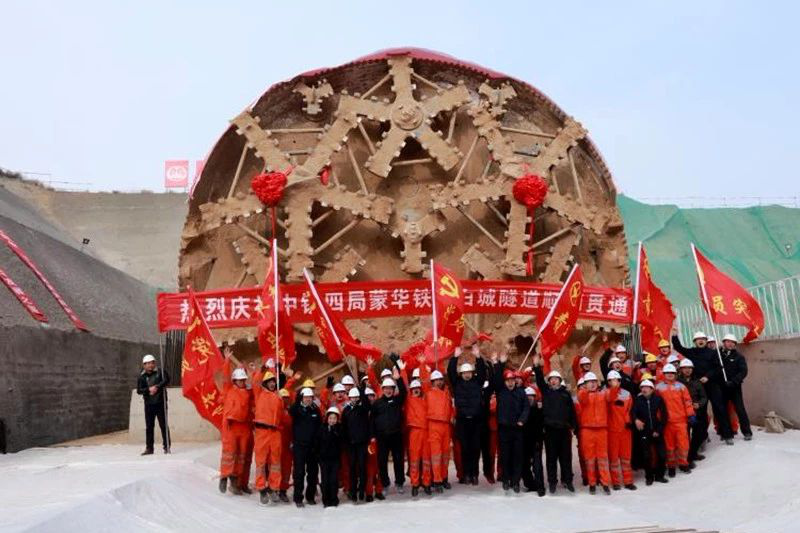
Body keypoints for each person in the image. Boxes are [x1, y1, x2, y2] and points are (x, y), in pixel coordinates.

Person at [672, 330, 733, 444]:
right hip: (698, 387)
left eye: (703, 339)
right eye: (698, 340)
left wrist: (707, 376)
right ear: (695, 342)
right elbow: (678, 347)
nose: (701, 341)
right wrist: (674, 335)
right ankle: (703, 436)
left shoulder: (713, 353)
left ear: (706, 341)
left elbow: (718, 368)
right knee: (701, 413)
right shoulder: (692, 352)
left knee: (720, 409)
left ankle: (727, 434)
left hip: (712, 384)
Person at [533, 355, 577, 494]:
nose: (553, 381)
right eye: (551, 379)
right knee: (551, 458)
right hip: (550, 430)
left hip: (564, 430)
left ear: (559, 381)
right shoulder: (546, 392)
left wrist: (574, 425)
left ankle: (568, 481)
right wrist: (536, 366)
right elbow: (539, 381)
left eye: (556, 379)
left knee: (566, 458)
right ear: (549, 381)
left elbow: (572, 411)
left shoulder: (566, 394)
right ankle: (552, 482)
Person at [447, 344, 487, 485]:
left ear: (472, 372)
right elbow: (450, 373)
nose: (467, 374)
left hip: (476, 421)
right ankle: (466, 474)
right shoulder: (457, 384)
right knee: (464, 450)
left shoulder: (477, 382)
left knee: (475, 449)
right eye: (464, 373)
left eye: (469, 372)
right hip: (462, 421)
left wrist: (478, 358)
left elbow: (483, 373)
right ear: (461, 374)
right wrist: (454, 358)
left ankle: (474, 475)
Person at [217, 348, 252, 495]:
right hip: (230, 426)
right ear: (235, 380)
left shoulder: (248, 393)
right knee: (229, 453)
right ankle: (224, 476)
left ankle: (235, 481)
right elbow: (225, 376)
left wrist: (248, 370)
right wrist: (226, 360)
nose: (242, 382)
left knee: (241, 455)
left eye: (244, 380)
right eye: (240, 380)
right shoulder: (228, 389)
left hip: (243, 426)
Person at [493, 360, 530, 493]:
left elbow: (526, 408)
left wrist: (522, 420)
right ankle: (506, 479)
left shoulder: (521, 392)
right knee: (505, 456)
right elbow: (496, 379)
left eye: (512, 380)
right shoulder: (500, 392)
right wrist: (500, 364)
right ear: (505, 382)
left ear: (515, 381)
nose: (510, 382)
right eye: (508, 380)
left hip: (517, 429)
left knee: (517, 456)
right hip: (504, 429)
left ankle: (516, 481)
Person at [372, 362, 407, 494]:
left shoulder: (398, 400)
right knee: (382, 461)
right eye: (386, 388)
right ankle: (385, 484)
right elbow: (372, 420)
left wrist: (398, 378)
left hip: (396, 435)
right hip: (382, 437)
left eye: (390, 388)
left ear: (393, 389)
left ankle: (399, 483)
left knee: (398, 460)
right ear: (382, 389)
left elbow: (403, 391)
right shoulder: (377, 404)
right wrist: (373, 435)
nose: (388, 390)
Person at [656, 364, 695, 477]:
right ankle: (671, 466)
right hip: (666, 422)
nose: (670, 375)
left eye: (672, 373)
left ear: (675, 374)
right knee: (669, 446)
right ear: (664, 374)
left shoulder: (681, 387)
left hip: (681, 421)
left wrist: (690, 414)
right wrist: (658, 419)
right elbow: (656, 405)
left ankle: (683, 464)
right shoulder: (658, 388)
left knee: (683, 445)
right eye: (667, 373)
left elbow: (687, 401)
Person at [252, 367, 284, 504]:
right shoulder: (259, 393)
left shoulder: (278, 396)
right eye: (269, 381)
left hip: (275, 432)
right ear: (265, 383)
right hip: (262, 431)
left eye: (273, 381)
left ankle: (273, 487)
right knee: (261, 461)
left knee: (275, 462)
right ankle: (261, 488)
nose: (272, 383)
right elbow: (255, 382)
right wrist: (261, 370)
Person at [577, 372, 612, 494]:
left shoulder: (603, 394)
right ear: (585, 384)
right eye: (589, 382)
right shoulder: (582, 394)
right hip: (587, 430)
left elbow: (611, 397)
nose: (592, 384)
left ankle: (605, 482)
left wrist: (614, 386)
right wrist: (586, 390)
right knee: (590, 459)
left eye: (594, 382)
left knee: (603, 458)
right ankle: (592, 483)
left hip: (602, 429)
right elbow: (583, 399)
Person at [289, 387, 322, 507]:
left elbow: (319, 427)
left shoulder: (315, 410)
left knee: (313, 473)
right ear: (302, 398)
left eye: (310, 397)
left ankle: (310, 496)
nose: (308, 399)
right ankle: (298, 498)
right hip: (299, 446)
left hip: (312, 447)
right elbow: (291, 411)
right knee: (299, 473)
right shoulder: (297, 409)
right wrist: (297, 401)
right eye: (306, 397)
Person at [632, 379, 668, 485]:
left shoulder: (658, 400)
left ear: (652, 389)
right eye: (642, 387)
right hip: (644, 432)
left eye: (647, 387)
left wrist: (658, 430)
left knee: (662, 455)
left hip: (657, 431)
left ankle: (659, 476)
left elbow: (664, 416)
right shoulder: (638, 400)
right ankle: (649, 477)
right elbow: (633, 413)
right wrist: (635, 420)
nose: (644, 389)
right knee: (647, 456)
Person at [423, 367, 453, 493]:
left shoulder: (447, 393)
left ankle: (444, 477)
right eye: (436, 380)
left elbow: (451, 408)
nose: (439, 382)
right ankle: (437, 480)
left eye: (440, 379)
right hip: (433, 425)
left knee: (445, 454)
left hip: (446, 426)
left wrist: (452, 416)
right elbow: (423, 379)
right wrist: (423, 366)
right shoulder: (428, 392)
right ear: (432, 381)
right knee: (436, 454)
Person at [606, 370, 636, 491]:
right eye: (612, 380)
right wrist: (613, 389)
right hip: (612, 430)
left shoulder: (627, 394)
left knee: (626, 457)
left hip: (625, 430)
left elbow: (630, 409)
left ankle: (628, 481)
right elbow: (608, 401)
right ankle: (616, 482)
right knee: (613, 458)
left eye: (617, 380)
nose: (615, 382)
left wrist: (629, 421)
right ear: (608, 382)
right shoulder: (605, 393)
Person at [136, 354, 171, 456]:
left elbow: (167, 380)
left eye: (152, 363)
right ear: (144, 365)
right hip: (149, 404)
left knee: (163, 425)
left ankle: (167, 446)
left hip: (161, 403)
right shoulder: (141, 377)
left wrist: (157, 387)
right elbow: (139, 390)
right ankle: (149, 448)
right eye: (148, 364)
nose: (150, 365)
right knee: (149, 427)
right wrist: (148, 390)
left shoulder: (160, 372)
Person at [720, 334, 752, 440]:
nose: (730, 344)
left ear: (735, 344)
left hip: (735, 388)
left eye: (732, 342)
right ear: (723, 343)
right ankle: (727, 433)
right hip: (722, 388)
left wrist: (733, 382)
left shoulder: (739, 357)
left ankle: (747, 432)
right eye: (727, 341)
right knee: (723, 411)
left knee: (740, 409)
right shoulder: (719, 356)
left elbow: (743, 371)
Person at [341, 386, 371, 502]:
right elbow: (343, 428)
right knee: (352, 468)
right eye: (352, 398)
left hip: (362, 443)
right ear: (349, 398)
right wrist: (345, 443)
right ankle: (353, 491)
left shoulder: (362, 409)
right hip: (351, 445)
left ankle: (362, 490)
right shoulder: (346, 411)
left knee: (363, 467)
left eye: (356, 398)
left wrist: (362, 391)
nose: (354, 399)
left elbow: (367, 405)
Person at [677, 358, 708, 464]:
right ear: (680, 369)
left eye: (689, 368)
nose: (687, 370)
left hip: (696, 412)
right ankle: (686, 458)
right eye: (685, 368)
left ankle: (693, 453)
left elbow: (704, 397)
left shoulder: (697, 382)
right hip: (683, 414)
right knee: (684, 437)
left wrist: (699, 404)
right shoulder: (677, 382)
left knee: (699, 433)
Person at [405, 378, 432, 496]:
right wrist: (403, 371)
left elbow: (427, 385)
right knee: (414, 460)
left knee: (426, 459)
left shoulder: (425, 400)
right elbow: (404, 386)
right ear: (410, 390)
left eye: (417, 389)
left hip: (426, 432)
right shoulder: (408, 400)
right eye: (413, 389)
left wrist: (422, 367)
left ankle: (426, 483)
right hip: (414, 432)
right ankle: (415, 484)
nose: (416, 390)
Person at [522, 386, 546, 496]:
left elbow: (541, 426)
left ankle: (540, 487)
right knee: (524, 465)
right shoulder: (521, 410)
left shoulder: (539, 411)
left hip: (536, 441)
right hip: (524, 441)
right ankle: (530, 484)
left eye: (531, 396)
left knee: (537, 465)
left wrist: (538, 440)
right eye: (527, 397)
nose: (529, 399)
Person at [318, 406, 343, 508]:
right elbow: (318, 443)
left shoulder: (339, 430)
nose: (332, 420)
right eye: (330, 418)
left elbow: (340, 443)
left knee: (333, 480)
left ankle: (334, 499)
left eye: (334, 418)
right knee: (325, 480)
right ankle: (326, 499)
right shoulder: (322, 429)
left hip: (335, 459)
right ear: (327, 418)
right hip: (324, 459)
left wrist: (334, 431)